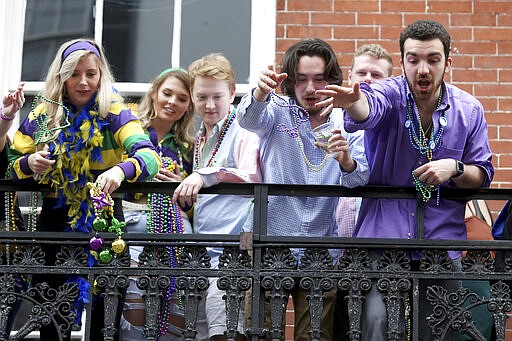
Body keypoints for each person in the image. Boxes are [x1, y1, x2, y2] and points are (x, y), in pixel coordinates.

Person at [316, 20, 494, 340]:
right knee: (376, 324)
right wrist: (352, 102)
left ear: (447, 63)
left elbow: (481, 175)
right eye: (413, 59)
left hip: (440, 242)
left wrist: (453, 167)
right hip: (383, 241)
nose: (422, 69)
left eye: (433, 59)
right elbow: (368, 107)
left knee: (437, 333)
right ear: (402, 62)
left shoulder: (470, 110)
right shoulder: (390, 93)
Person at [8, 38, 161, 341]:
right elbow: (9, 163)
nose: (83, 81)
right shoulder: (42, 116)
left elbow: (149, 156)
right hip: (54, 222)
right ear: (61, 76)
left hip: (105, 223)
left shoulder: (115, 112)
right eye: (74, 74)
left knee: (105, 321)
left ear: (101, 74)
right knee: (50, 318)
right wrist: (29, 163)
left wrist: (120, 169)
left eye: (91, 73)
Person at [236, 38, 369, 341]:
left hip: (320, 246)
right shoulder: (277, 111)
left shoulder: (346, 121)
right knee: (261, 331)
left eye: (319, 79)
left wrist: (346, 160)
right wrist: (260, 90)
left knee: (316, 336)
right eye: (301, 79)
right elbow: (247, 118)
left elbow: (360, 179)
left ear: (332, 80)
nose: (310, 88)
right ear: (290, 81)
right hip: (270, 241)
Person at [172, 53, 261, 341]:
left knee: (226, 334)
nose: (209, 105)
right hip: (202, 254)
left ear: (233, 93)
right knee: (200, 334)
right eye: (201, 97)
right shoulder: (199, 136)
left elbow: (251, 175)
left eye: (217, 97)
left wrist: (204, 176)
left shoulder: (245, 129)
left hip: (233, 255)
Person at [119, 67, 195, 341]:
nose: (173, 102)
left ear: (189, 106)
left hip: (174, 238)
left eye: (182, 98)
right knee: (135, 307)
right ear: (153, 93)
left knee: (173, 313)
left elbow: (195, 209)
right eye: (167, 93)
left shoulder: (189, 148)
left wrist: (181, 185)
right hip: (134, 230)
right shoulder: (129, 134)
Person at [333, 44, 393, 341]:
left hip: (373, 243)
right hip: (333, 244)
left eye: (376, 74)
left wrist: (348, 162)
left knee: (375, 322)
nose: (367, 79)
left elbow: (365, 175)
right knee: (333, 325)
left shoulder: (388, 126)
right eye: (361, 72)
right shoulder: (332, 120)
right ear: (349, 75)